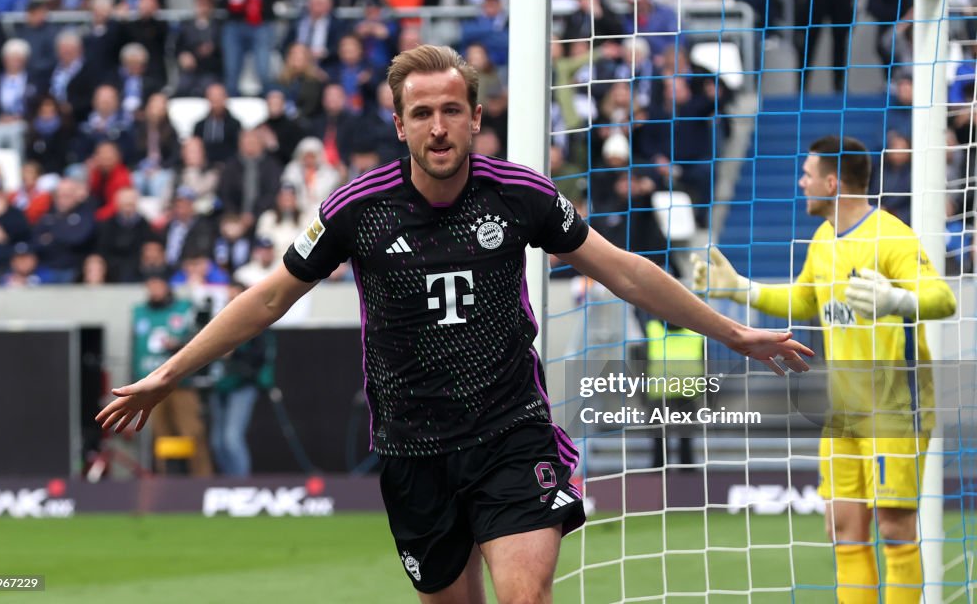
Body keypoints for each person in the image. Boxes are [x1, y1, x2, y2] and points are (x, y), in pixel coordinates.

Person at [98, 45, 811, 603]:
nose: (438, 127)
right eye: (421, 113)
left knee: (526, 595)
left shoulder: (522, 195)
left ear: (475, 116)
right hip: (413, 449)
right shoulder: (357, 209)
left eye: (451, 110)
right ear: (400, 121)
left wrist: (734, 332)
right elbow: (266, 299)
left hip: (510, 432)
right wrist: (165, 376)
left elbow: (623, 269)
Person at [693, 136, 957, 604]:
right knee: (843, 528)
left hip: (893, 407)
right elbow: (804, 299)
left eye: (809, 174)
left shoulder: (891, 236)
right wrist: (740, 289)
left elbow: (943, 299)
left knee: (895, 528)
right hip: (842, 409)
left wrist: (898, 300)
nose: (801, 182)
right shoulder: (823, 239)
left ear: (833, 182)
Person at [129, 266, 214, 476]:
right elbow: (134, 351)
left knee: (192, 432)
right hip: (151, 386)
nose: (155, 289)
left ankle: (203, 483)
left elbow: (202, 337)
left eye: (159, 284)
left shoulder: (183, 308)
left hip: (180, 383)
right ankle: (167, 487)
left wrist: (179, 344)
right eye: (151, 285)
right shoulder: (139, 312)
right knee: (160, 437)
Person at [208, 280, 275, 476]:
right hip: (220, 384)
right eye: (229, 297)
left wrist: (234, 352)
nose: (232, 301)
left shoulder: (257, 322)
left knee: (231, 438)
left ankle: (241, 485)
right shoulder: (219, 320)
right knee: (217, 442)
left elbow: (260, 355)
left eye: (236, 297)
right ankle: (230, 485)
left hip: (242, 385)